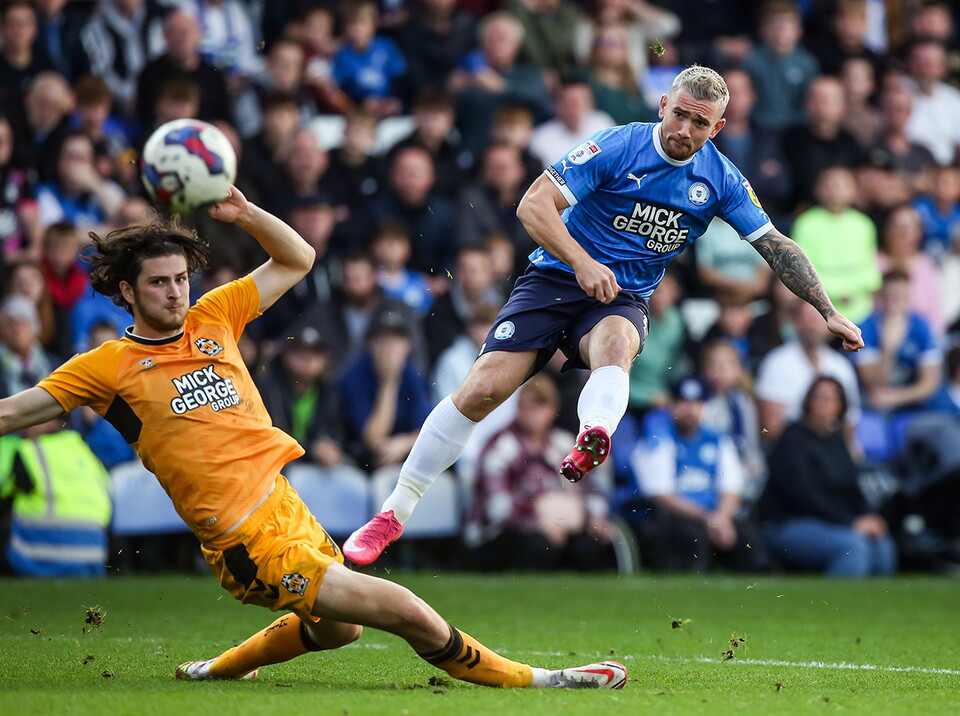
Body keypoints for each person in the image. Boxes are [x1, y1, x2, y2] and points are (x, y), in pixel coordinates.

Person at [0, 186, 626, 689]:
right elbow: (12, 413)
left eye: (180, 278)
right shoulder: (105, 367)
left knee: (339, 632)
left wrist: (247, 214)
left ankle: (214, 671)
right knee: (404, 611)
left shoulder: (212, 316)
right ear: (128, 292)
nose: (175, 291)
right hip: (243, 538)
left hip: (286, 507)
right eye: (159, 283)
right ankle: (543, 681)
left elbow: (298, 259)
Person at [343, 65, 864, 565]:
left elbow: (775, 245)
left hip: (622, 295)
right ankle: (394, 512)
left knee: (617, 344)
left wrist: (828, 310)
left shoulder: (721, 179)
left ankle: (592, 435)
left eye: (700, 122)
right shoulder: (619, 145)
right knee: (481, 389)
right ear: (663, 105)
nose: (684, 129)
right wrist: (582, 262)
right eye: (679, 114)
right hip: (555, 277)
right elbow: (533, 205)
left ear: (718, 126)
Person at [463, 373, 614, 571]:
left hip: (559, 526)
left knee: (592, 546)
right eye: (526, 405)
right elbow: (498, 508)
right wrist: (539, 521)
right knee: (538, 547)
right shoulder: (501, 446)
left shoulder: (562, 443)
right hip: (500, 533)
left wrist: (594, 516)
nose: (531, 411)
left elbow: (589, 487)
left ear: (553, 409)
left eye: (540, 404)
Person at [759, 376, 897, 577]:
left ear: (841, 406)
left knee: (882, 545)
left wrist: (868, 517)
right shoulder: (792, 439)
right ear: (808, 401)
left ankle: (878, 608)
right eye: (819, 397)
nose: (824, 403)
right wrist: (850, 522)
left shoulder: (837, 440)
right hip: (789, 523)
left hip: (833, 523)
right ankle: (834, 606)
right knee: (852, 548)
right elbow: (805, 496)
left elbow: (852, 489)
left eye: (831, 398)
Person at [629, 376, 762, 572]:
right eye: (683, 403)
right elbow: (660, 493)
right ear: (671, 406)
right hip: (676, 515)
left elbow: (732, 487)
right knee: (692, 538)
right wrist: (706, 517)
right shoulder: (658, 437)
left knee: (748, 540)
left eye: (696, 403)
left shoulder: (717, 438)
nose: (690, 410)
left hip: (715, 514)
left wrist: (721, 517)